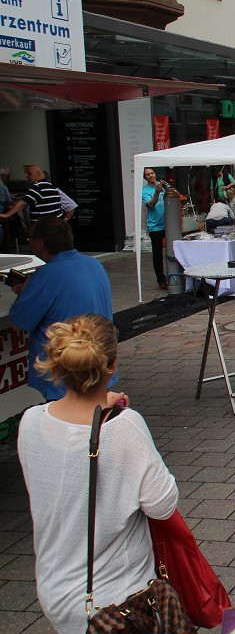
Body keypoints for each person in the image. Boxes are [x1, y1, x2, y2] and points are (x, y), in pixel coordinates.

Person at [19, 314, 177, 634]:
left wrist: (102, 406)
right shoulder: (125, 428)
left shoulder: (30, 422)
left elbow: (70, 455)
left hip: (56, 592)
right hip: (117, 600)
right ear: (112, 364)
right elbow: (163, 505)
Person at [11, 217, 114, 403]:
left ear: (40, 243)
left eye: (29, 239)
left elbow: (19, 323)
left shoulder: (46, 276)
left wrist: (23, 291)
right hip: (99, 365)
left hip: (66, 376)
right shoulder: (93, 264)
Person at [141, 167, 168, 290]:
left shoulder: (163, 186)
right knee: (157, 255)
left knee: (174, 251)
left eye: (152, 173)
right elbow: (151, 204)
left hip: (168, 224)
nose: (151, 176)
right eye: (148, 174)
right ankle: (161, 280)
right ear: (145, 177)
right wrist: (157, 192)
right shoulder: (145, 190)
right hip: (155, 226)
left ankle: (175, 276)